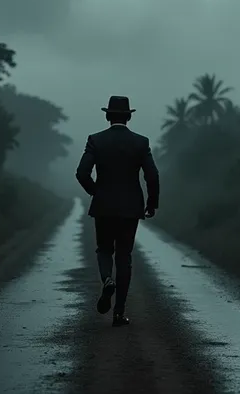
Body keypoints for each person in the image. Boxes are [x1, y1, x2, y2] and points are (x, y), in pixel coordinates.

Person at [75, 95, 160, 327]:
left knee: (104, 249)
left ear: (107, 116)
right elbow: (152, 175)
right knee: (124, 256)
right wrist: (151, 203)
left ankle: (107, 280)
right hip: (130, 209)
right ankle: (119, 313)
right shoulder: (141, 143)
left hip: (103, 207)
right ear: (129, 117)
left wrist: (96, 192)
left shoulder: (95, 140)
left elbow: (81, 173)